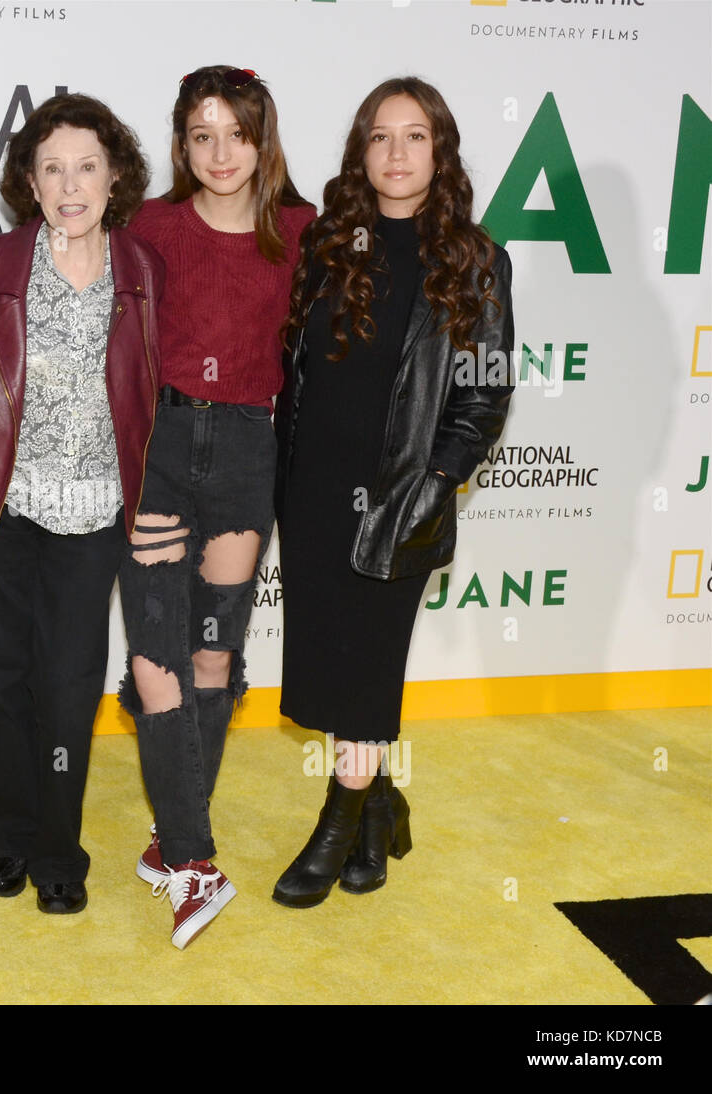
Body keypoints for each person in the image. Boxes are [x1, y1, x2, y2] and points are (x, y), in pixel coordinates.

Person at [272, 77, 514, 907]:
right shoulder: (329, 243)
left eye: (417, 137)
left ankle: (337, 825)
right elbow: (297, 368)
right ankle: (381, 810)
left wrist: (439, 481)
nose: (398, 153)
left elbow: (486, 389)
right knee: (326, 667)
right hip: (312, 493)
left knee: (369, 669)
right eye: (381, 137)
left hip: (401, 498)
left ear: (440, 152)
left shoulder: (477, 260)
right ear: (361, 152)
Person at [0, 94, 163, 916]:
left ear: (114, 178)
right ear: (30, 183)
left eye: (87, 167)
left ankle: (57, 852)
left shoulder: (142, 270)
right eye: (52, 168)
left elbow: (160, 391)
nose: (70, 185)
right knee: (0, 678)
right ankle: (6, 842)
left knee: (70, 683)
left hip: (97, 510)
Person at [119, 66, 315, 949]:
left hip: (245, 455)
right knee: (155, 662)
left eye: (237, 133)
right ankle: (196, 859)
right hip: (158, 451)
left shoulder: (302, 234)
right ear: (181, 145)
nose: (221, 153)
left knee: (209, 658)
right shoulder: (150, 227)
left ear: (263, 140)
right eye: (203, 136)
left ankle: (171, 838)